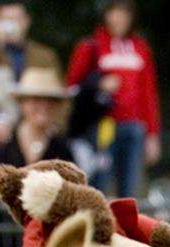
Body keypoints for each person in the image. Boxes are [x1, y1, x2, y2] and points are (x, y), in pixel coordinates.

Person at [65, 0, 159, 197]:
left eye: (124, 13)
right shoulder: (92, 45)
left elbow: (148, 93)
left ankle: (126, 226)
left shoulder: (140, 47)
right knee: (100, 183)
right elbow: (73, 85)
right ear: (106, 14)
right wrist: (99, 84)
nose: (119, 18)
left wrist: (152, 133)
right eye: (115, 12)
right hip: (104, 124)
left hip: (134, 126)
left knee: (130, 187)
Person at [0, 2, 58, 82]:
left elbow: (56, 88)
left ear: (27, 21)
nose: (10, 25)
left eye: (15, 19)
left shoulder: (45, 55)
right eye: (5, 19)